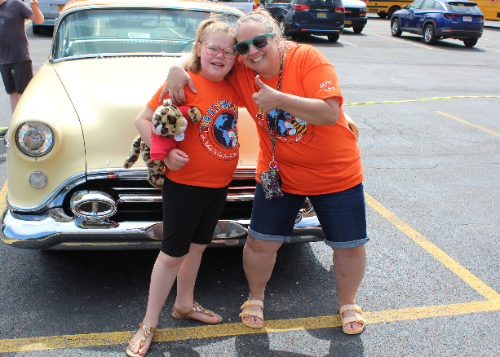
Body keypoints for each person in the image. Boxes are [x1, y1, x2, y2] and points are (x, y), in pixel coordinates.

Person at [163, 9, 368, 335]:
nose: (252, 52)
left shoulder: (308, 59)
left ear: (277, 37)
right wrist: (175, 68)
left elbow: (329, 113)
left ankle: (347, 302)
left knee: (348, 246)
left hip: (335, 173)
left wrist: (277, 99)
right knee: (260, 244)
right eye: (243, 48)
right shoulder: (242, 68)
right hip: (279, 174)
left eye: (260, 42)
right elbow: (207, 55)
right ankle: (256, 297)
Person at [126, 17, 240, 357]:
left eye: (229, 51)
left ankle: (185, 304)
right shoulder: (184, 84)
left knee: (198, 248)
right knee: (172, 254)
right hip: (185, 186)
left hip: (218, 185)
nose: (220, 56)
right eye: (213, 48)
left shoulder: (235, 86)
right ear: (200, 49)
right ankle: (148, 323)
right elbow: (143, 120)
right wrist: (166, 152)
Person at [0, 0, 44, 114]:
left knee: (24, 93)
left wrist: (35, 9)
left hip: (20, 57)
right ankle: (15, 124)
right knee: (12, 93)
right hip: (3, 59)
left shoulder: (16, 4)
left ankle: (27, 124)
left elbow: (39, 19)